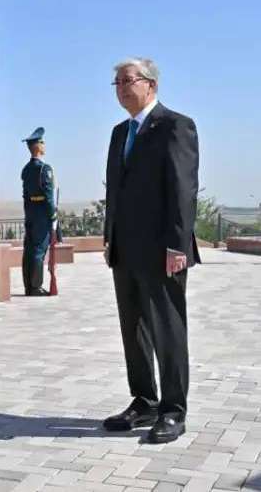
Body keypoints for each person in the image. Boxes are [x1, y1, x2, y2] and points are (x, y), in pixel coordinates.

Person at [101, 58, 200, 443]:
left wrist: (178, 244)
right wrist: (110, 238)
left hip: (162, 250)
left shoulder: (175, 126)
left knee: (167, 330)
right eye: (117, 82)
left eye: (129, 80)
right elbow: (116, 193)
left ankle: (173, 410)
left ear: (151, 84)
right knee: (135, 329)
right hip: (125, 249)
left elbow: (182, 190)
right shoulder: (118, 133)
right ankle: (144, 401)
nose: (122, 87)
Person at [20, 127, 56, 297]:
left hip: (31, 213)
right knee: (39, 251)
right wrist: (53, 215)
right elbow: (48, 197)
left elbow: (25, 196)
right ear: (38, 146)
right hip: (42, 214)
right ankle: (36, 287)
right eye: (43, 142)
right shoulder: (45, 169)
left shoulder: (26, 170)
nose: (45, 145)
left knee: (29, 250)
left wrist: (28, 214)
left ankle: (28, 285)